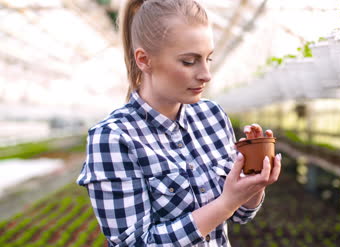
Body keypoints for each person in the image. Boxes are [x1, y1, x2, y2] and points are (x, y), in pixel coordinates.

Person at [76, 0, 282, 246]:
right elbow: (136, 243)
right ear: (144, 60)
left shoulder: (212, 116)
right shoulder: (113, 137)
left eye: (208, 59)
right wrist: (224, 203)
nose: (206, 74)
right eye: (189, 61)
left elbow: (241, 214)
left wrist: (254, 182)